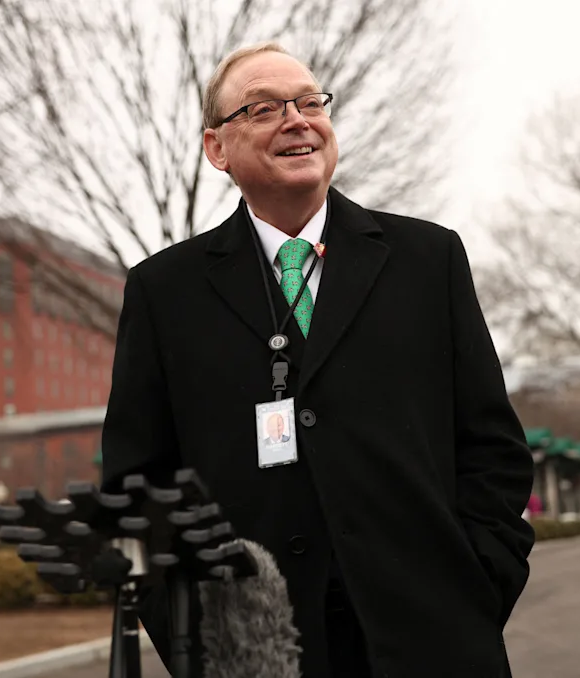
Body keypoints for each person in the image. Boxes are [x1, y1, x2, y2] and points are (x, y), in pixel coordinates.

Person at [101, 40, 536, 678]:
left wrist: (477, 587)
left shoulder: (428, 259)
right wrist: (199, 641)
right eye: (264, 108)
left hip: (431, 643)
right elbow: (138, 492)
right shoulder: (164, 293)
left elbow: (493, 449)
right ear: (217, 148)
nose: (297, 120)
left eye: (310, 103)